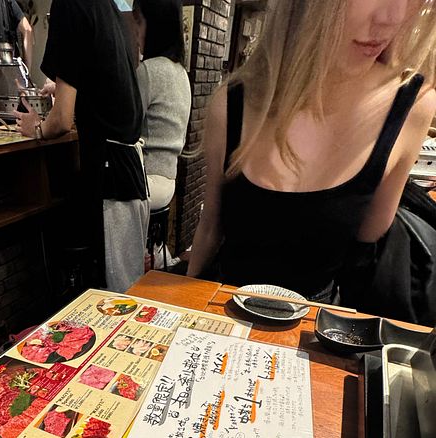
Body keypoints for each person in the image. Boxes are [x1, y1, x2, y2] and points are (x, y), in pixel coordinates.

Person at [186, 0, 436, 304]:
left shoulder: (412, 106)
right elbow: (210, 229)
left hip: (317, 332)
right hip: (223, 313)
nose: (391, 18)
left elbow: (365, 258)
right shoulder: (233, 102)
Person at [14, 0, 149, 294]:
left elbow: (60, 120)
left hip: (109, 173)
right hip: (130, 170)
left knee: (114, 296)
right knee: (129, 289)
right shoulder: (109, 8)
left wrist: (36, 127)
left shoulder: (71, 5)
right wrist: (66, 86)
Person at [132, 0, 192, 270]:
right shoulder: (181, 73)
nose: (136, 31)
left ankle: (126, 278)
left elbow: (126, 126)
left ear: (152, 25)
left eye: (139, 21)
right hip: (168, 181)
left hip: (144, 182)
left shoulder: (148, 70)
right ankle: (157, 259)